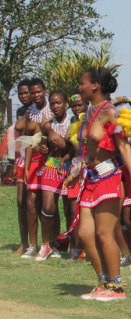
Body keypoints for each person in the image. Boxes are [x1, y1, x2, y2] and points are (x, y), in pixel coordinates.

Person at [63, 66, 131, 301]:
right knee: (86, 234)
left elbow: (123, 146)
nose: (80, 87)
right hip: (89, 178)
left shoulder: (111, 113)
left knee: (105, 233)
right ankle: (102, 282)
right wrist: (74, 172)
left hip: (109, 177)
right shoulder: (88, 114)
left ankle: (117, 289)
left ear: (95, 86)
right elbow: (85, 152)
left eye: (83, 83)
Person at [35, 90, 72, 260]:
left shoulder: (73, 122)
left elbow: (69, 146)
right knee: (48, 208)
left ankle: (65, 245)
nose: (55, 106)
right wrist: (42, 147)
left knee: (68, 210)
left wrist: (56, 137)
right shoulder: (47, 124)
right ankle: (45, 245)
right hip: (51, 164)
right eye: (52, 104)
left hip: (68, 166)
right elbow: (42, 145)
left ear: (65, 104)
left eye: (58, 103)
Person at [21, 78, 53, 258]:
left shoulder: (53, 109)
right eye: (32, 92)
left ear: (45, 90)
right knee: (30, 202)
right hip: (34, 161)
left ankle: (51, 244)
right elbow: (27, 141)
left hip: (50, 161)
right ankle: (32, 245)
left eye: (38, 91)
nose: (35, 95)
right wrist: (26, 168)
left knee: (49, 205)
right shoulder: (30, 112)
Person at [111, 96, 131, 268]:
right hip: (114, 173)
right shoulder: (114, 129)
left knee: (129, 218)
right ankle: (126, 253)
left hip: (130, 174)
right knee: (117, 218)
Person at [63, 93, 87, 263]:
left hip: (88, 168)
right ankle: (76, 249)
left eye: (79, 104)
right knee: (72, 210)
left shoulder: (91, 120)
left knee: (86, 211)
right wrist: (64, 160)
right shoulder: (72, 123)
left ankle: (87, 249)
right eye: (73, 106)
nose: (76, 108)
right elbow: (72, 150)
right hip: (74, 166)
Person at [13, 79, 32, 255]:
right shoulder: (20, 112)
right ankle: (23, 241)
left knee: (34, 204)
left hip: (35, 160)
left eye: (26, 92)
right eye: (21, 93)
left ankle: (40, 243)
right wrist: (14, 161)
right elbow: (17, 136)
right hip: (22, 159)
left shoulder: (37, 112)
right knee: (20, 202)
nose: (24, 96)